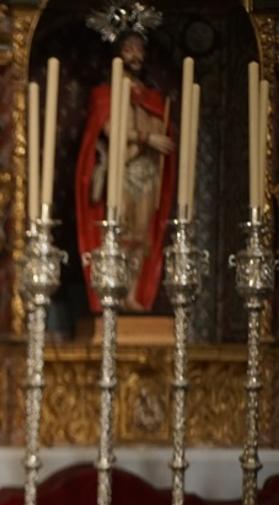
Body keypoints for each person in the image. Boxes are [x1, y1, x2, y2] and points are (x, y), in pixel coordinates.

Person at [75, 29, 176, 313]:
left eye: (139, 49)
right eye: (129, 48)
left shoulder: (152, 96)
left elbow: (161, 127)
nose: (136, 54)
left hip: (147, 173)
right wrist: (146, 138)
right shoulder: (104, 94)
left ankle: (132, 295)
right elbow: (108, 129)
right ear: (117, 53)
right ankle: (112, 292)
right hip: (122, 171)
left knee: (142, 236)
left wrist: (158, 135)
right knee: (118, 232)